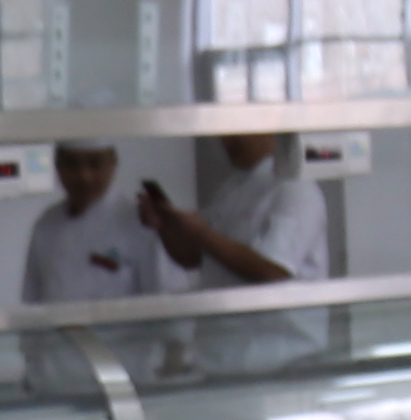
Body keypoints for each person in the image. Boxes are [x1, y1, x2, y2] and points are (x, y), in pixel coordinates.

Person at [137, 130, 329, 376]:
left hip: (280, 359)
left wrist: (202, 233)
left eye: (236, 134)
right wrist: (164, 226)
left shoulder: (294, 189)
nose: (226, 142)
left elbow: (272, 269)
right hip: (222, 357)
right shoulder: (232, 189)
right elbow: (193, 257)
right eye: (223, 135)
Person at [14, 140, 166, 391]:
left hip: (123, 379)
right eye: (72, 165)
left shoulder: (139, 223)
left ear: (113, 164)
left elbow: (164, 303)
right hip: (53, 379)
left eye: (95, 164)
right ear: (58, 167)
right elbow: (32, 302)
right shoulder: (47, 225)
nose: (84, 176)